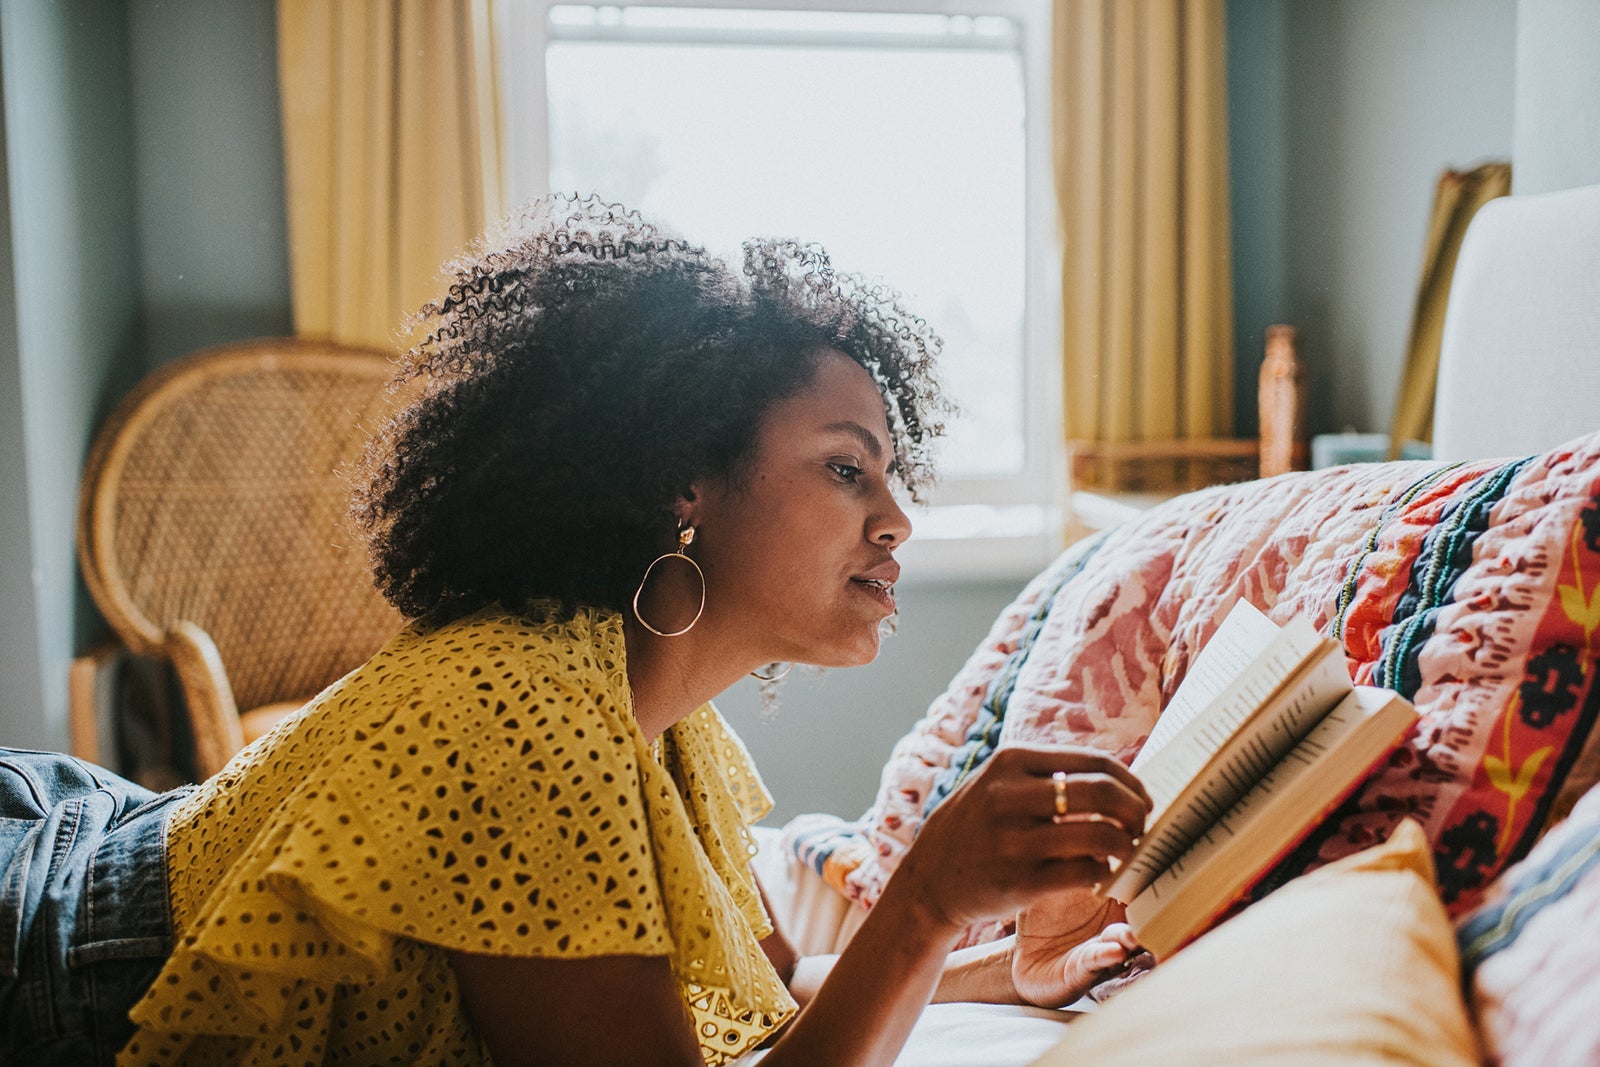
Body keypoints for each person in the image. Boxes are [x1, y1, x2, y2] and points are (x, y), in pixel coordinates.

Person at [0, 196, 1151, 1067]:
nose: (896, 519)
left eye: (889, 475)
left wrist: (1008, 971)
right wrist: (926, 894)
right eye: (846, 468)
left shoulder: (657, 718)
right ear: (678, 483)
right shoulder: (523, 718)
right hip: (47, 946)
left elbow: (777, 994)